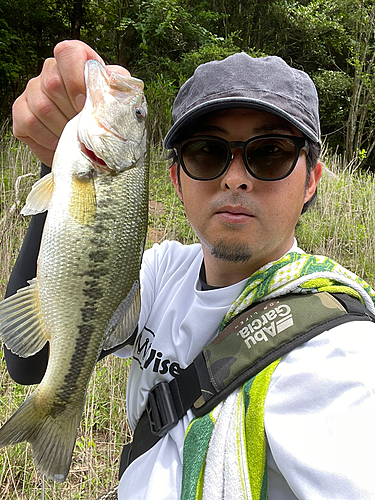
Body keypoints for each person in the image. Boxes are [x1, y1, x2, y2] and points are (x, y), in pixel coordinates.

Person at [5, 40, 375, 499]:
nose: (235, 177)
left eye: (270, 153)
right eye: (206, 150)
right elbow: (29, 362)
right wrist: (58, 166)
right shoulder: (162, 274)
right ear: (178, 179)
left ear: (311, 180)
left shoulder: (339, 355)